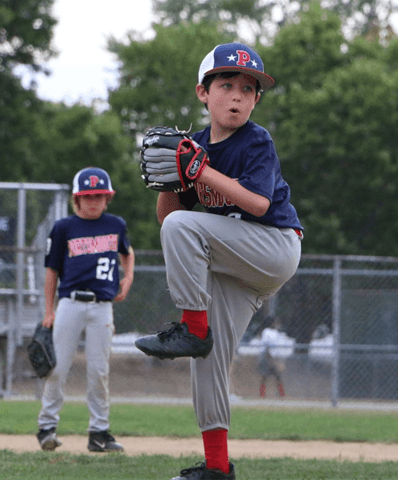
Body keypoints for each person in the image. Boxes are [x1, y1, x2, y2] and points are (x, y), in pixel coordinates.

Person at [134, 42, 302, 480]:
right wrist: (170, 178)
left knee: (185, 232)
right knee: (208, 361)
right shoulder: (197, 147)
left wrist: (200, 171)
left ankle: (191, 327)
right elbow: (170, 217)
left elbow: (259, 204)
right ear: (203, 94)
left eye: (249, 89)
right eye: (226, 84)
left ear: (256, 100)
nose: (238, 96)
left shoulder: (255, 140)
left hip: (273, 247)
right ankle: (216, 468)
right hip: (237, 265)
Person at [36, 166, 135, 452]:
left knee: (99, 371)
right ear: (76, 200)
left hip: (102, 307)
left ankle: (99, 433)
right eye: (87, 195)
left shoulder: (115, 224)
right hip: (70, 304)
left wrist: (128, 277)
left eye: (99, 195)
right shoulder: (64, 228)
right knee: (56, 367)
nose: (94, 201)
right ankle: (46, 428)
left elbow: (127, 254)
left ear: (108, 198)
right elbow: (52, 272)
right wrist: (49, 310)